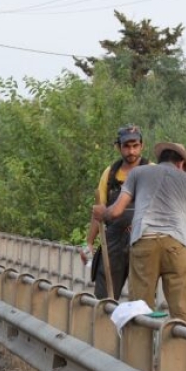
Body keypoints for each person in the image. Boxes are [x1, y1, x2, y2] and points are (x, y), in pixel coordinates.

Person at [91, 141, 186, 323]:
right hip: (177, 245)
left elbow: (117, 211)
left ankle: (139, 349)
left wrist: (101, 213)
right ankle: (178, 349)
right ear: (182, 163)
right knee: (183, 315)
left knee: (140, 310)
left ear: (160, 158)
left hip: (144, 240)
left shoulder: (138, 173)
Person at [80, 124, 149, 299]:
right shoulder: (109, 174)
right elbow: (99, 212)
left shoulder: (152, 170)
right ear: (118, 147)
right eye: (126, 146)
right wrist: (89, 242)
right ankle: (104, 326)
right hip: (113, 243)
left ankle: (138, 326)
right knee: (105, 297)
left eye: (135, 146)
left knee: (142, 301)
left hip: (143, 241)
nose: (131, 151)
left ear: (142, 145)